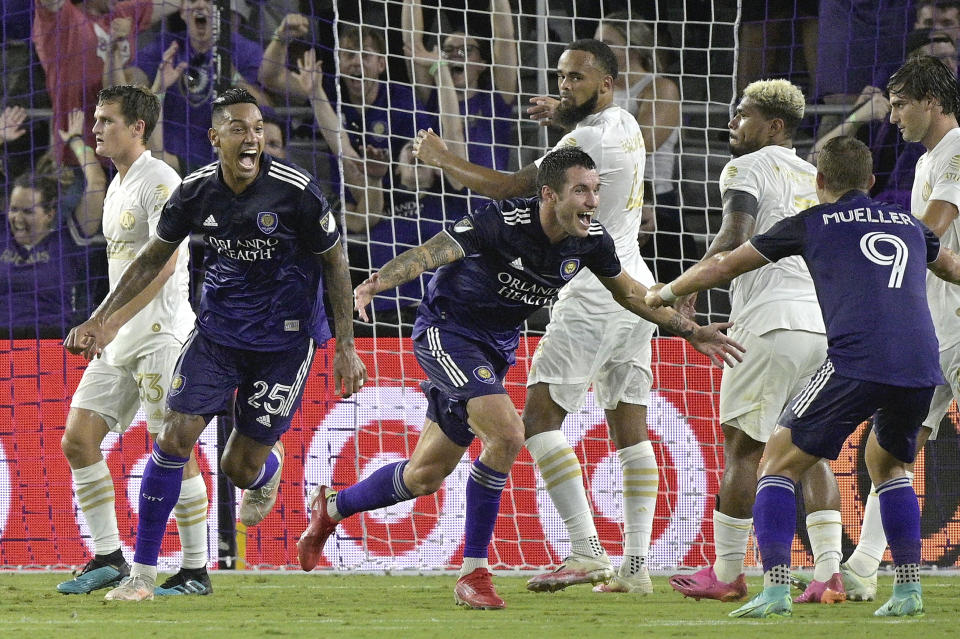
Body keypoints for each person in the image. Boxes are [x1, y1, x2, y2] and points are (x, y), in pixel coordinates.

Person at [297, 146, 744, 609]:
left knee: (424, 475)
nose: (592, 202)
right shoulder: (501, 221)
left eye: (596, 191)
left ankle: (331, 509)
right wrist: (375, 283)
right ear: (549, 194)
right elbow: (431, 254)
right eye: (581, 191)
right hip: (447, 332)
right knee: (510, 432)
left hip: (495, 348)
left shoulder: (590, 239)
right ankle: (473, 572)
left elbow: (631, 294)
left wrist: (692, 332)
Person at [64, 88, 366, 600]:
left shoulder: (297, 191)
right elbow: (150, 258)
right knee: (173, 440)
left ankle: (267, 465)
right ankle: (140, 575)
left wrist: (345, 346)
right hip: (217, 333)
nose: (253, 138)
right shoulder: (196, 191)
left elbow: (335, 262)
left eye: (257, 129)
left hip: (283, 341)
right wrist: (99, 318)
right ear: (216, 138)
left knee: (237, 467)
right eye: (240, 129)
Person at [647, 136, 960, 618]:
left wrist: (666, 291)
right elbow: (953, 268)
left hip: (855, 358)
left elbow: (728, 263)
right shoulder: (910, 226)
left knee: (775, 460)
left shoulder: (814, 221)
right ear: (871, 182)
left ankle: (773, 590)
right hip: (921, 363)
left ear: (819, 182)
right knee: (889, 466)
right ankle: (908, 591)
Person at [414, 38, 664, 595]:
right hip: (638, 284)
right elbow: (584, 144)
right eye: (560, 76)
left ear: (606, 84)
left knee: (540, 420)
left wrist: (442, 158)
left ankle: (582, 549)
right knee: (630, 425)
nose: (562, 86)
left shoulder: (585, 139)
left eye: (576, 78)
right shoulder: (626, 123)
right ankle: (637, 568)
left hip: (597, 290)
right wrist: (565, 117)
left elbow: (509, 189)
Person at [666, 79, 845, 605]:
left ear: (774, 126)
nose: (731, 124)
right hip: (822, 325)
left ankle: (726, 572)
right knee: (809, 453)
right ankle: (829, 575)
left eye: (742, 115)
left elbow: (735, 235)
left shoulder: (748, 166)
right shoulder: (816, 174)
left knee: (744, 449)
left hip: (769, 324)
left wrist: (687, 289)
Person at [56, 85, 210, 596]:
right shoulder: (118, 184)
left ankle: (194, 569)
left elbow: (165, 265)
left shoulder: (160, 180)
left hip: (162, 336)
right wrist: (106, 323)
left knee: (172, 448)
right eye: (95, 119)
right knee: (77, 440)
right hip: (120, 339)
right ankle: (107, 557)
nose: (96, 128)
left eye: (106, 120)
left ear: (137, 127)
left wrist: (108, 321)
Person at [839, 54, 960, 602]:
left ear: (932, 103)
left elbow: (930, 236)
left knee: (889, 447)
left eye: (902, 104)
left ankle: (863, 565)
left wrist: (872, 239)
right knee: (887, 449)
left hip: (954, 318)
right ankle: (863, 567)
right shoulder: (928, 159)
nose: (893, 118)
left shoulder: (957, 149)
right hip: (933, 324)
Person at [593, 11, 692, 283]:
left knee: (662, 303)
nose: (598, 50)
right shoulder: (597, 93)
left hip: (656, 205)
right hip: (606, 202)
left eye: (607, 42)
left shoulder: (661, 88)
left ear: (633, 46)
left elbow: (640, 146)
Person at [32, 0, 179, 166]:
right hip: (79, 154)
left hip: (124, 150)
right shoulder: (63, 17)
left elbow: (176, 2)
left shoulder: (121, 12)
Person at [132, 0, 269, 173]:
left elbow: (266, 108)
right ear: (182, 11)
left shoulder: (245, 50)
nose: (200, 5)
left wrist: (233, 75)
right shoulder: (167, 47)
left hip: (229, 164)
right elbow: (126, 88)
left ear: (222, 10)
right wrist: (159, 85)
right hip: (173, 163)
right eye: (193, 0)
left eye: (210, 1)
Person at [403, 0, 518, 171]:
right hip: (444, 195)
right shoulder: (432, 98)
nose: (456, 54)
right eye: (448, 50)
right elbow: (413, 44)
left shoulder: (495, 99)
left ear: (481, 64)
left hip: (489, 195)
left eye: (466, 50)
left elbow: (505, 38)